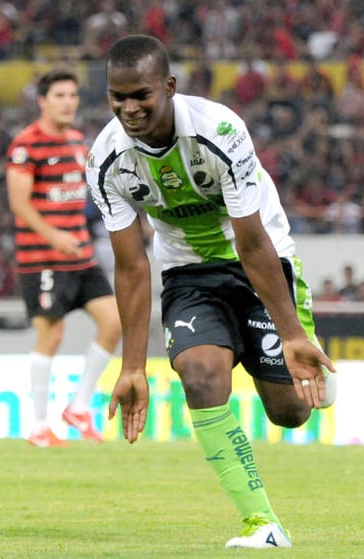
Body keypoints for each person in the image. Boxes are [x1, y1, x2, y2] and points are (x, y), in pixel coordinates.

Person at [86, 35, 336, 549]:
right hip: (188, 273)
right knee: (199, 375)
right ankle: (261, 523)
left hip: (258, 261)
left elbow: (251, 239)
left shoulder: (219, 131)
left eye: (141, 95)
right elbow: (132, 266)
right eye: (118, 97)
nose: (129, 108)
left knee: (291, 411)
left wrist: (288, 333)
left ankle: (291, 343)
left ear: (169, 87)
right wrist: (132, 366)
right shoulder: (105, 159)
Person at [6, 69, 122, 447]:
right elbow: (19, 204)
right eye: (59, 95)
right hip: (42, 258)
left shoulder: (76, 142)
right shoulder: (26, 145)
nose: (68, 102)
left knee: (114, 323)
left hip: (80, 256)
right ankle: (40, 426)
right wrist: (56, 236)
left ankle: (79, 407)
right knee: (51, 335)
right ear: (42, 101)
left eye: (72, 95)